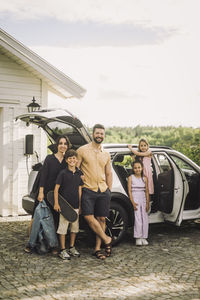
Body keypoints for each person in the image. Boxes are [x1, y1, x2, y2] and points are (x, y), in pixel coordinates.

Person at [25, 135, 70, 254]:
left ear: (67, 146)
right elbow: (43, 176)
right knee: (37, 218)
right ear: (57, 145)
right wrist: (40, 192)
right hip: (44, 193)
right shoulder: (50, 158)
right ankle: (31, 243)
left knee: (53, 220)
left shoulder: (67, 161)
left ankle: (51, 244)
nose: (63, 145)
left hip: (57, 196)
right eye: (60, 143)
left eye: (65, 144)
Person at [77, 124, 113, 260]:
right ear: (93, 134)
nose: (99, 136)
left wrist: (109, 190)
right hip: (88, 189)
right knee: (87, 216)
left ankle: (97, 249)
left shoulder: (106, 154)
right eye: (97, 133)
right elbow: (77, 169)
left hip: (103, 190)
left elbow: (109, 173)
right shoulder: (82, 150)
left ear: (104, 136)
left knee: (102, 219)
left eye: (102, 134)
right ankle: (107, 239)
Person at [54, 149, 83, 260]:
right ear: (66, 160)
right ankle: (62, 249)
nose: (72, 160)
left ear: (77, 160)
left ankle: (71, 247)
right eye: (70, 158)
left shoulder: (79, 174)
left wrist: (80, 206)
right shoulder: (62, 173)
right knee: (63, 228)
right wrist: (56, 203)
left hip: (76, 206)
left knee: (74, 228)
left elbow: (80, 190)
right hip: (64, 206)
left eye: (74, 158)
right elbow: (56, 189)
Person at [127, 160, 150, 246]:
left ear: (142, 168)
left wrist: (147, 203)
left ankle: (144, 237)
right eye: (135, 168)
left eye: (139, 167)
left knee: (144, 218)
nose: (137, 169)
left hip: (143, 199)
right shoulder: (131, 178)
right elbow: (129, 191)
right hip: (135, 198)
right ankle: (138, 237)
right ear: (133, 169)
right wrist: (132, 202)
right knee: (138, 219)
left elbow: (147, 191)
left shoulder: (145, 178)